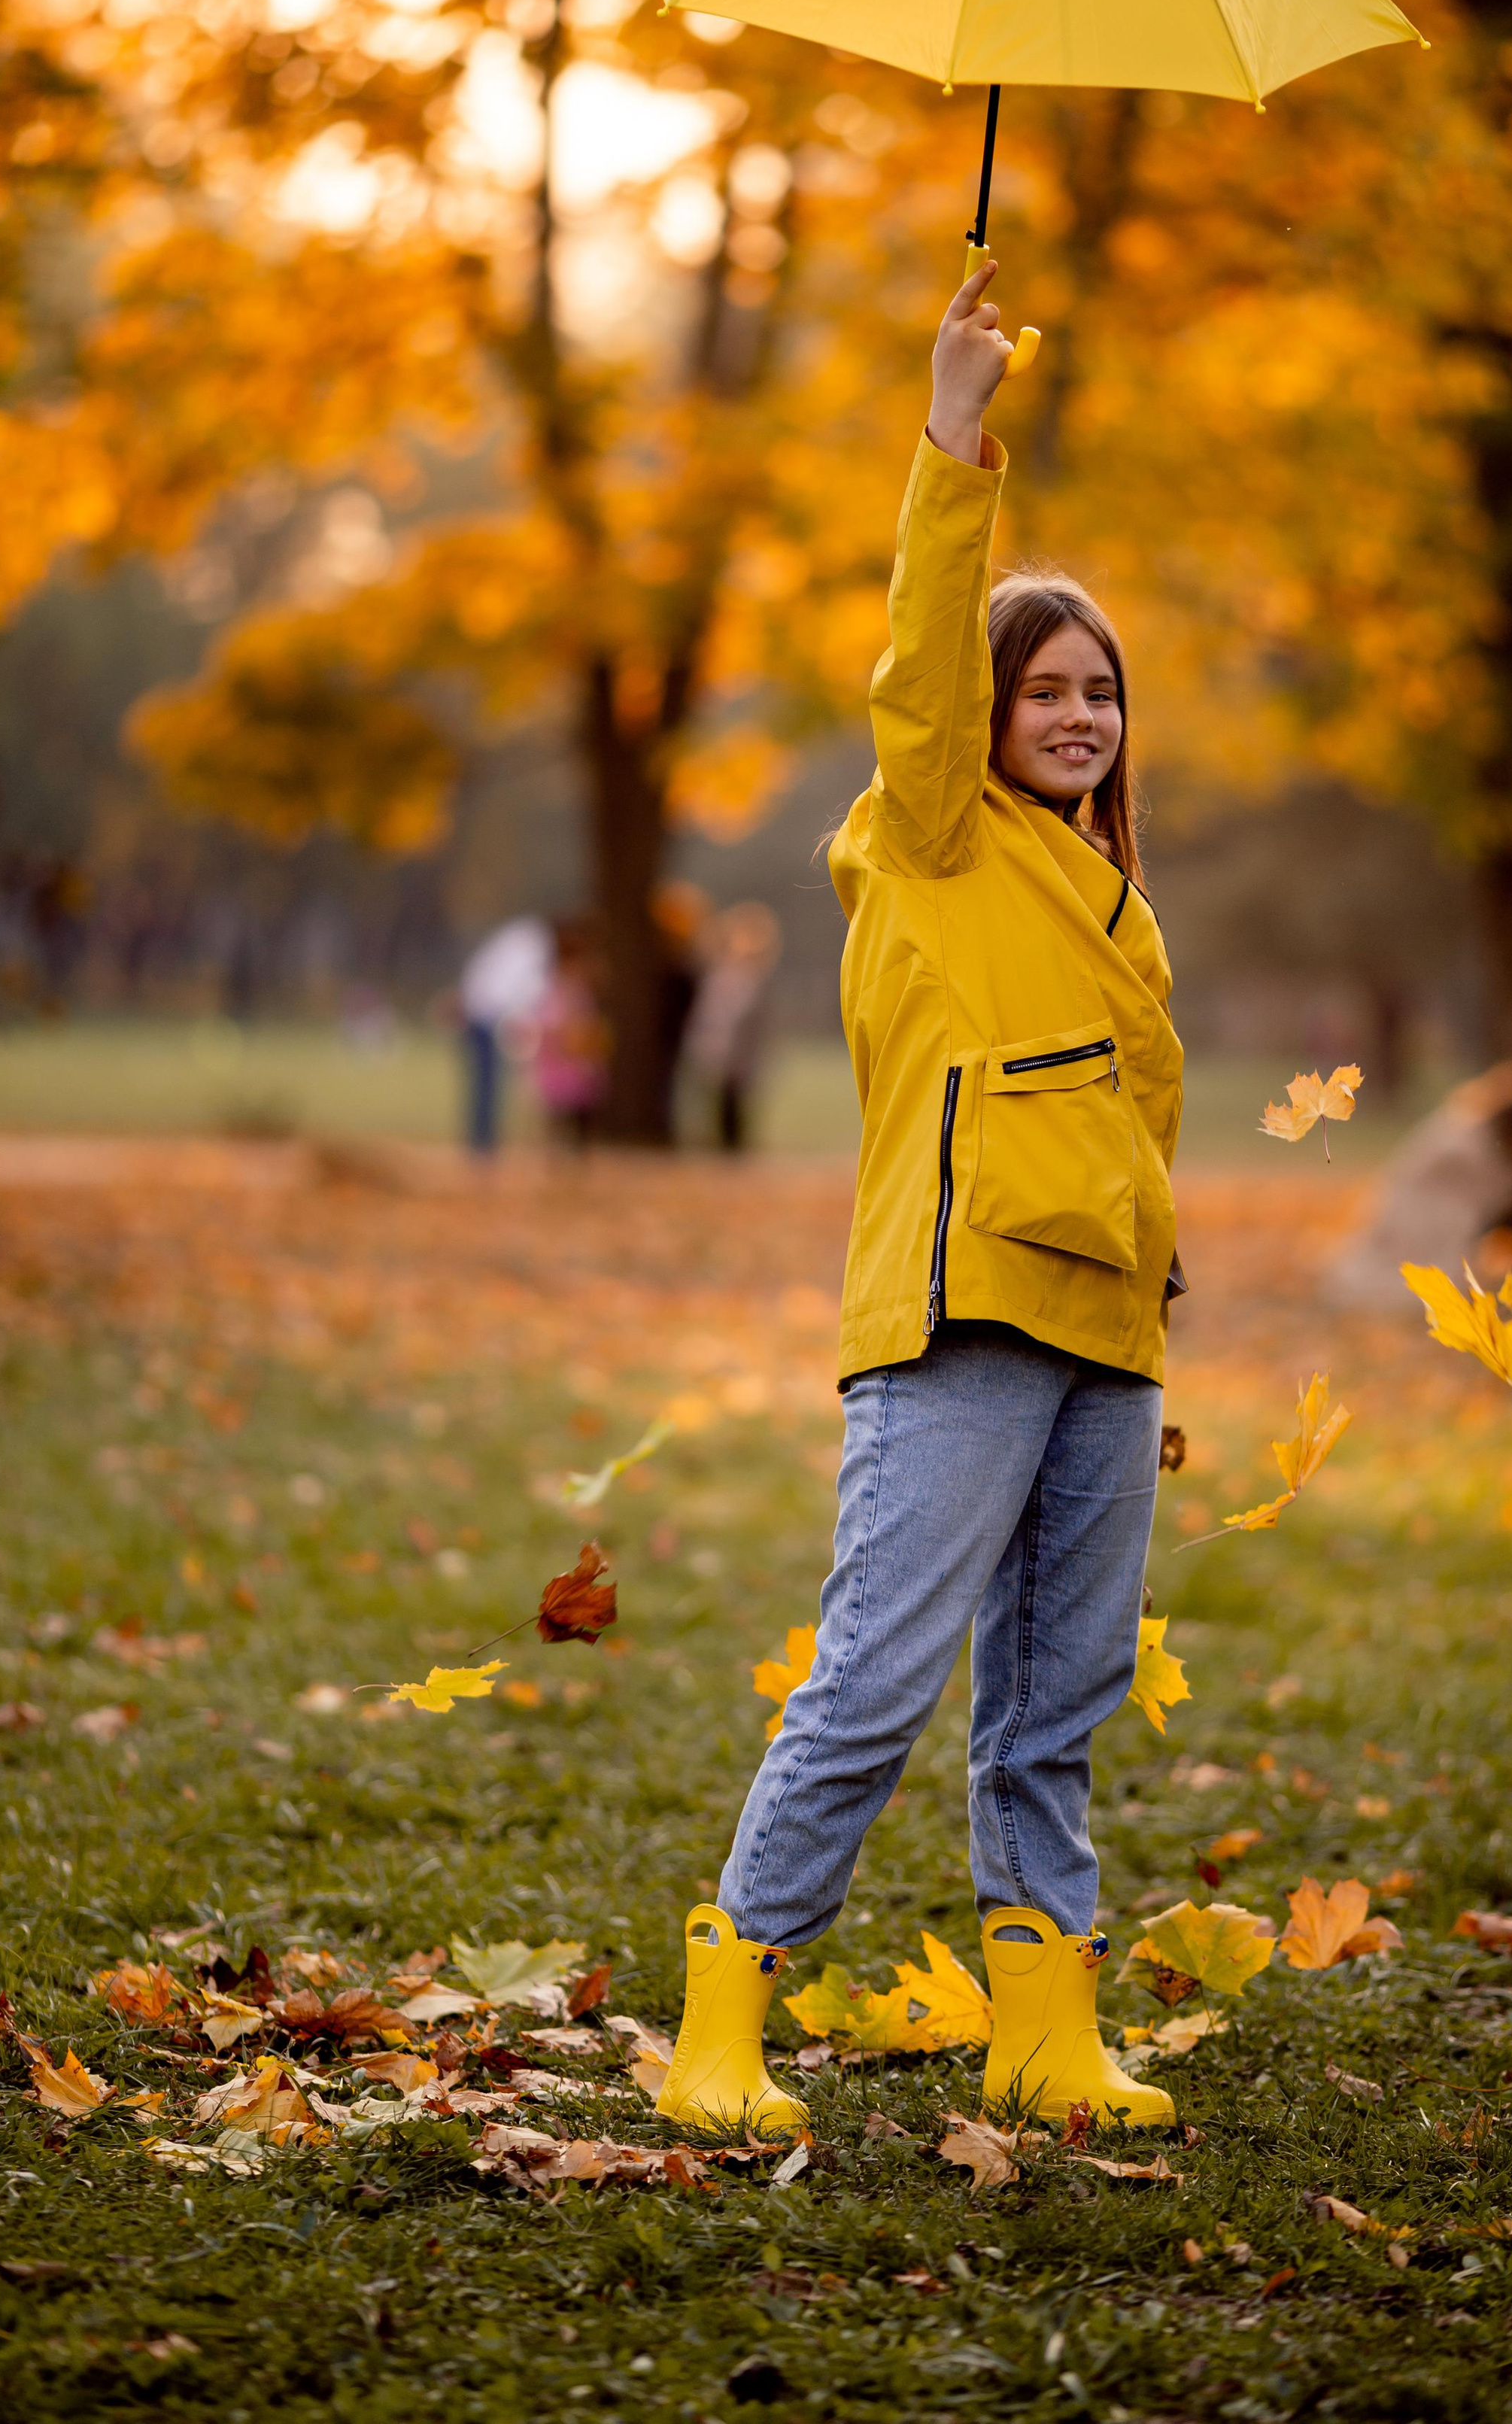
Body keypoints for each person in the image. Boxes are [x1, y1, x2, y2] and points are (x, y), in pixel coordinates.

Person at [654, 260, 1184, 2141]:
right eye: (1043, 685)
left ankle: (1041, 2020)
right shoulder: (926, 832)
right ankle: (725, 2009)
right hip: (960, 1319)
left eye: (1101, 689)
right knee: (872, 1683)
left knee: (1056, 1704)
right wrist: (952, 427)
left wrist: (1150, 1318)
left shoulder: (1111, 905)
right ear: (976, 712)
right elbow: (911, 655)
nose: (1079, 711)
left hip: (1104, 1339)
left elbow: (1126, 1135)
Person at [682, 901, 782, 1150]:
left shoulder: (739, 979)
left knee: (732, 1110)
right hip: (723, 1054)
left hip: (736, 1058)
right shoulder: (729, 978)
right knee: (723, 1109)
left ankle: (730, 1149)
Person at [456, 916, 550, 1154]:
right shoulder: (536, 946)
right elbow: (525, 988)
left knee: (485, 1082)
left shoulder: (519, 938)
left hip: (485, 1012)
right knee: (488, 1083)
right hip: (490, 1016)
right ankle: (483, 1142)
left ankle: (483, 1141)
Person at [532, 916, 610, 1148]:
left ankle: (574, 1153)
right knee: (562, 1108)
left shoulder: (580, 986)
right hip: (563, 1054)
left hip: (576, 1056)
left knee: (578, 1109)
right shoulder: (559, 986)